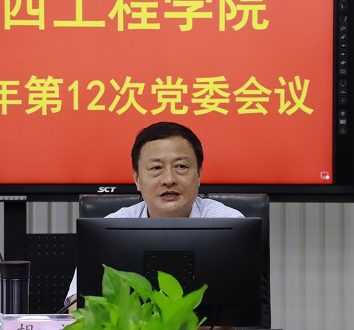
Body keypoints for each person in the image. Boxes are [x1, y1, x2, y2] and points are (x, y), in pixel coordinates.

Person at [65, 121, 243, 310]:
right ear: (137, 178)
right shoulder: (111, 229)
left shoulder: (228, 224)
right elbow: (78, 305)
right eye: (156, 168)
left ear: (199, 173)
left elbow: (238, 308)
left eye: (181, 166)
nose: (169, 180)